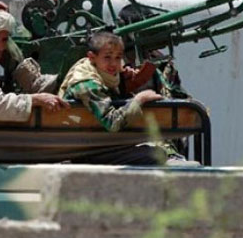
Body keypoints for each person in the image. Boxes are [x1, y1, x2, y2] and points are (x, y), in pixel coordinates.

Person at [57, 31, 168, 165]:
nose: (113, 64)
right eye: (107, 57)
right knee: (155, 155)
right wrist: (139, 100)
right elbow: (112, 122)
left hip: (101, 143)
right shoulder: (87, 84)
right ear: (92, 57)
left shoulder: (102, 73)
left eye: (118, 57)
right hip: (85, 150)